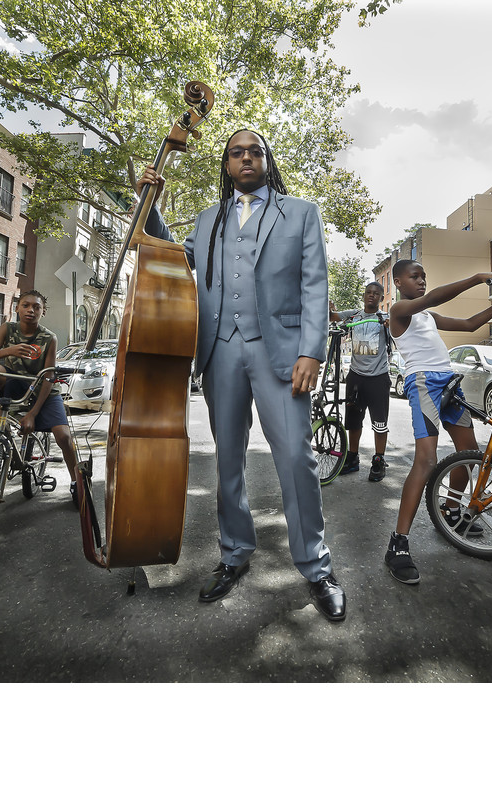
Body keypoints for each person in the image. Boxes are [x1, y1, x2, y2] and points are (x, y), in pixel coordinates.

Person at [136, 128, 346, 622]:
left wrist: (311, 351)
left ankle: (316, 567)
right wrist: (151, 206)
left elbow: (316, 283)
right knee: (227, 461)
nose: (246, 158)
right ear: (226, 164)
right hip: (219, 351)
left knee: (297, 457)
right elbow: (172, 258)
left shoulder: (300, 212)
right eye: (237, 153)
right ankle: (234, 554)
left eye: (255, 151)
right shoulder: (207, 219)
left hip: (282, 353)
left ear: (267, 161)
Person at [385, 259, 492, 585]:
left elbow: (472, 324)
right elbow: (431, 298)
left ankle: (450, 510)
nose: (421, 281)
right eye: (414, 277)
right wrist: (479, 276)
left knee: (469, 454)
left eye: (424, 276)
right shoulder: (399, 311)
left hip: (449, 384)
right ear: (399, 283)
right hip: (424, 385)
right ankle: (398, 544)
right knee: (427, 460)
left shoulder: (428, 317)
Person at [0, 290, 78, 502]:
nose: (31, 310)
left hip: (42, 391)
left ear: (43, 312)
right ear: (17, 308)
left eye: (36, 307)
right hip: (13, 383)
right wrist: (9, 351)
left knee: (64, 437)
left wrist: (32, 413)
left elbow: (48, 377)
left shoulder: (49, 338)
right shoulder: (8, 329)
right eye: (26, 305)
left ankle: (77, 483)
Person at [330, 281, 392, 482]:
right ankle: (353, 458)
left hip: (378, 378)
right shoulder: (354, 314)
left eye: (376, 293)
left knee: (379, 423)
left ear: (381, 298)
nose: (371, 296)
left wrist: (392, 326)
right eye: (368, 293)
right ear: (364, 295)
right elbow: (333, 317)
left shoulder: (385, 318)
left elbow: (400, 331)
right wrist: (328, 307)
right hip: (356, 376)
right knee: (354, 420)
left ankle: (378, 460)